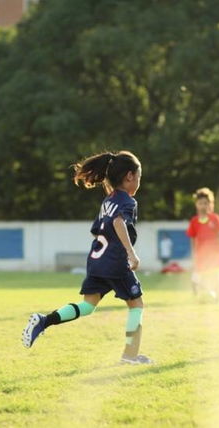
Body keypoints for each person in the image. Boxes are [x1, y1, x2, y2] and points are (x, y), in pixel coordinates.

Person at [22, 151, 153, 364]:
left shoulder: (107, 201)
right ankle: (130, 356)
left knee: (87, 307)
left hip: (96, 261)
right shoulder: (128, 202)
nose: (139, 182)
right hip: (115, 263)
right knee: (136, 305)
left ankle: (44, 321)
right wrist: (131, 253)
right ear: (129, 176)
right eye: (139, 177)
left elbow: (96, 230)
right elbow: (119, 223)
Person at [186, 187, 219, 301]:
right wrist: (194, 253)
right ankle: (196, 296)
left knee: (218, 277)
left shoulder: (215, 218)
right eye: (200, 203)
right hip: (201, 256)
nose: (203, 206)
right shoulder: (194, 221)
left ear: (210, 204)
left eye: (206, 203)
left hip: (216, 255)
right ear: (196, 205)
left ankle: (218, 297)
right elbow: (192, 238)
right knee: (196, 278)